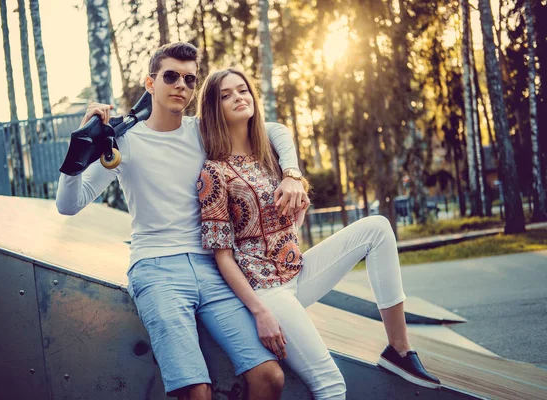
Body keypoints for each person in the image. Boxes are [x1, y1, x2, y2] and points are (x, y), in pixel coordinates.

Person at [56, 42, 309, 400]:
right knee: (198, 393)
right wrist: (80, 149)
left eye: (190, 80)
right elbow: (69, 205)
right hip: (157, 271)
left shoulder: (202, 132)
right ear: (150, 83)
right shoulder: (123, 142)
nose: (181, 86)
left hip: (213, 268)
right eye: (171, 76)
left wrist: (292, 173)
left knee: (270, 377)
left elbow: (276, 130)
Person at [196, 68, 442, 399]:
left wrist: (295, 204)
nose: (239, 97)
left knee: (377, 228)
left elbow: (282, 214)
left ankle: (398, 350)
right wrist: (260, 311)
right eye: (226, 95)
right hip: (268, 292)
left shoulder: (271, 157)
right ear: (214, 109)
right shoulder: (214, 173)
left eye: (243, 90)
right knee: (331, 384)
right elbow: (222, 257)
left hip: (297, 271)